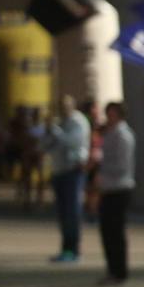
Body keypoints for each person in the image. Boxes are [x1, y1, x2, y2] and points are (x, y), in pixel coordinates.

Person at [44, 94, 90, 263]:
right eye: (60, 105)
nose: (62, 108)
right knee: (63, 214)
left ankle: (74, 250)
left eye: (65, 105)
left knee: (72, 213)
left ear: (72, 105)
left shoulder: (78, 122)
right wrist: (48, 130)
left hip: (73, 172)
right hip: (59, 172)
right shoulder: (58, 122)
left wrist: (55, 131)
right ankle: (65, 249)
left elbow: (71, 142)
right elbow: (46, 145)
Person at [97, 102, 135, 284]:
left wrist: (101, 169)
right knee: (107, 231)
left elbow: (121, 165)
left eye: (111, 114)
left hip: (119, 188)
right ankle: (113, 269)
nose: (108, 117)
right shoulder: (111, 133)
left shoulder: (123, 135)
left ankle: (119, 271)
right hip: (109, 187)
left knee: (115, 232)